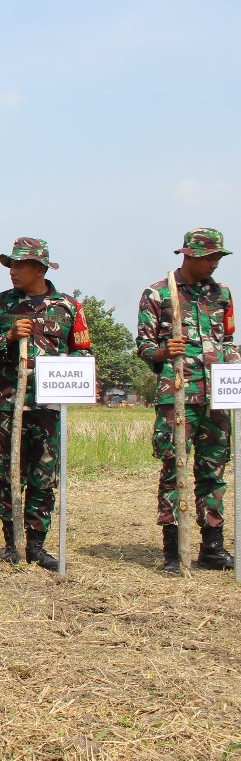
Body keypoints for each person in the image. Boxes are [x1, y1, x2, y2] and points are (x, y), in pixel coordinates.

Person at [0, 238, 90, 571]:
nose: (12, 272)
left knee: (44, 474)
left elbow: (83, 352)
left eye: (19, 266)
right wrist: (8, 337)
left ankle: (38, 544)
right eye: (11, 266)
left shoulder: (68, 306)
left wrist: (72, 382)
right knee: (7, 471)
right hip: (8, 403)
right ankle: (12, 541)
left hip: (48, 407)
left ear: (39, 269)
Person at [136, 228, 238, 573]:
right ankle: (172, 548)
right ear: (188, 255)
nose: (213, 264)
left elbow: (227, 339)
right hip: (177, 395)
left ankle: (212, 546)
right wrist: (165, 351)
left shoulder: (221, 293)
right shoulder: (159, 293)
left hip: (217, 397)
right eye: (208, 257)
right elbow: (145, 347)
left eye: (217, 258)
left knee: (214, 470)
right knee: (173, 468)